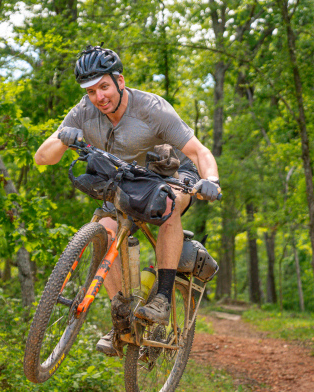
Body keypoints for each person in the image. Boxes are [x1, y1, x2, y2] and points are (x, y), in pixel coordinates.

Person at [34, 44, 221, 356]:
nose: (99, 97)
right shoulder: (84, 110)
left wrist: (210, 181)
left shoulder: (152, 109)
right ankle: (122, 315)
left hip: (170, 174)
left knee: (167, 207)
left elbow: (199, 152)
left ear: (119, 81)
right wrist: (62, 139)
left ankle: (162, 297)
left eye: (104, 87)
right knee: (106, 230)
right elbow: (43, 158)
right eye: (91, 91)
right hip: (125, 181)